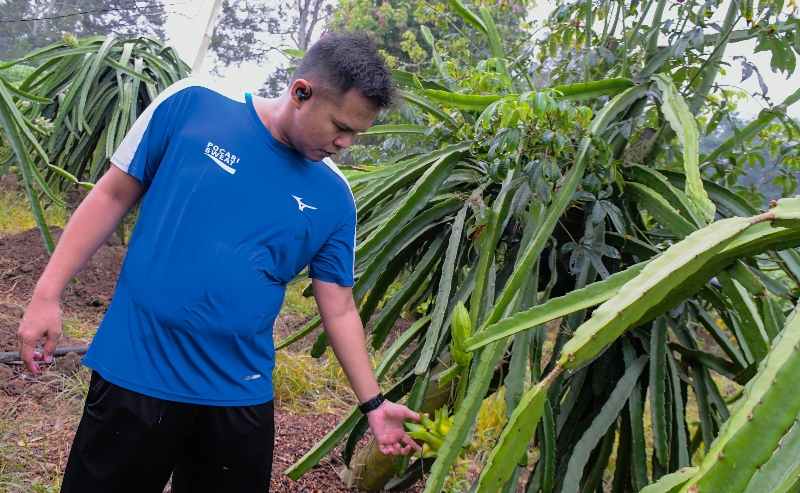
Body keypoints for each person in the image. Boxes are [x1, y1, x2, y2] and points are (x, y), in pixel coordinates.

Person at [16, 32, 422, 493]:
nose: (344, 143)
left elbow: (340, 307)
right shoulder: (194, 106)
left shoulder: (333, 198)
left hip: (237, 397)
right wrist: (47, 294)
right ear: (301, 92)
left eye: (356, 134)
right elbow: (111, 195)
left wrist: (373, 404)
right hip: (135, 375)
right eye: (339, 126)